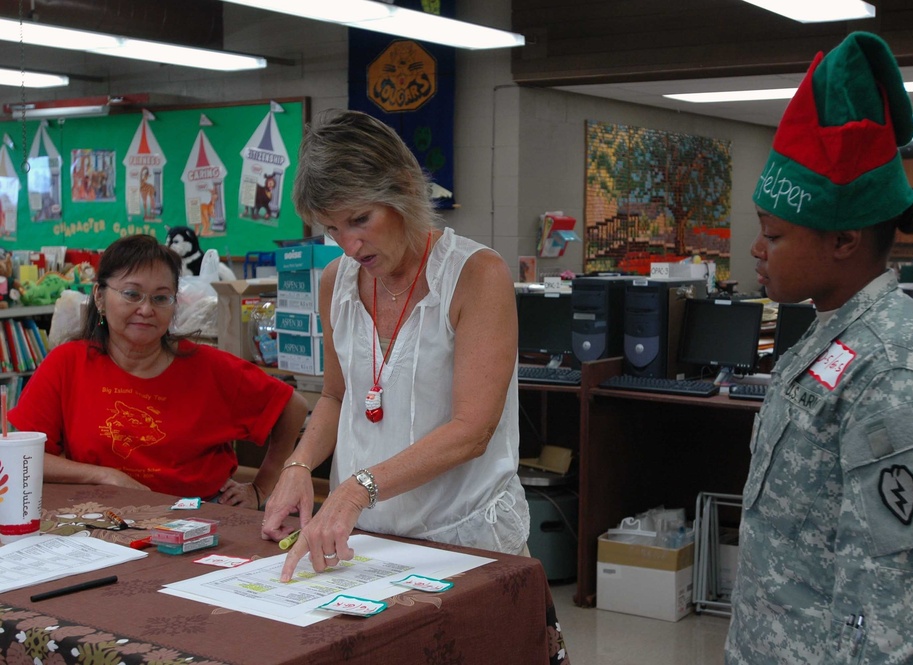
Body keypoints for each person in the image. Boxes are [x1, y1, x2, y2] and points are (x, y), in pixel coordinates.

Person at [725, 32, 913, 663]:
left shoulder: (893, 374)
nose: (756, 250)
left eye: (774, 235)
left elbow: (894, 607)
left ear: (844, 240)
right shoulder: (829, 331)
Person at [261, 110, 532, 578]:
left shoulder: (475, 275)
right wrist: (299, 465)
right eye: (331, 230)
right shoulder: (337, 282)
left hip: (463, 536)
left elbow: (472, 430)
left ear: (406, 188)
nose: (349, 245)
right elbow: (335, 394)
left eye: (360, 219)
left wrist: (355, 488)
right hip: (369, 536)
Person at [9, 234, 308, 508]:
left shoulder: (208, 366)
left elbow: (293, 406)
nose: (146, 309)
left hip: (200, 519)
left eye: (161, 297)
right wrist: (105, 476)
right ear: (100, 297)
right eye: (131, 294)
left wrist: (262, 488)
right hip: (101, 516)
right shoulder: (67, 363)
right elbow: (21, 456)